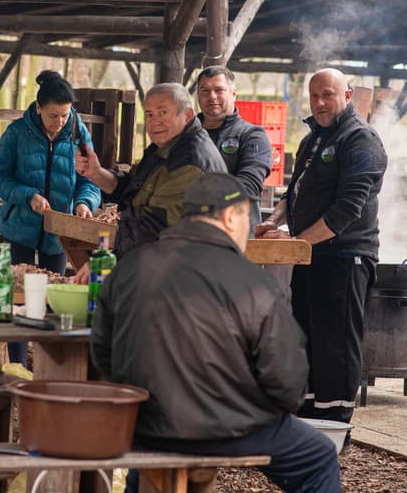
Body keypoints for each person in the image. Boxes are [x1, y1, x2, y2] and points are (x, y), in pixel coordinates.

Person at [91, 173, 341, 493]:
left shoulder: (131, 265)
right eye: (245, 217)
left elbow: (101, 352)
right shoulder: (253, 282)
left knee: (150, 464)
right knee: (318, 456)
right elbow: (287, 380)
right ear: (228, 216)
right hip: (227, 429)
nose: (248, 227)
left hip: (143, 423)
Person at [256, 68, 387, 429]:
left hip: (346, 257)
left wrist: (296, 242)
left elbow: (348, 209)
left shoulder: (360, 140)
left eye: (328, 94)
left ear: (347, 96)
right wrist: (274, 221)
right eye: (314, 96)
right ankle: (310, 418)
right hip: (310, 255)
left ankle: (336, 422)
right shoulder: (312, 139)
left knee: (336, 344)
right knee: (309, 339)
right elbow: (293, 191)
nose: (319, 103)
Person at [0, 70, 101, 364]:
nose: (60, 122)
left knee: (53, 299)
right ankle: (17, 365)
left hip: (59, 234)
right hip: (19, 229)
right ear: (38, 108)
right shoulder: (17, 133)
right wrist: (28, 196)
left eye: (65, 115)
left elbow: (90, 178)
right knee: (19, 298)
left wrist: (84, 201)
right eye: (53, 115)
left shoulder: (77, 131)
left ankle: (48, 366)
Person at [75, 82, 225, 264]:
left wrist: (108, 261)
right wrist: (96, 173)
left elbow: (153, 228)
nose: (155, 121)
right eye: (149, 115)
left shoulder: (191, 162)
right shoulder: (164, 149)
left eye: (163, 113)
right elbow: (131, 188)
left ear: (187, 115)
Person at [196, 66, 273, 236]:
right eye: (205, 90)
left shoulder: (252, 135)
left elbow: (249, 185)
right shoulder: (184, 136)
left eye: (219, 90)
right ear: (198, 96)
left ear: (233, 94)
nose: (212, 96)